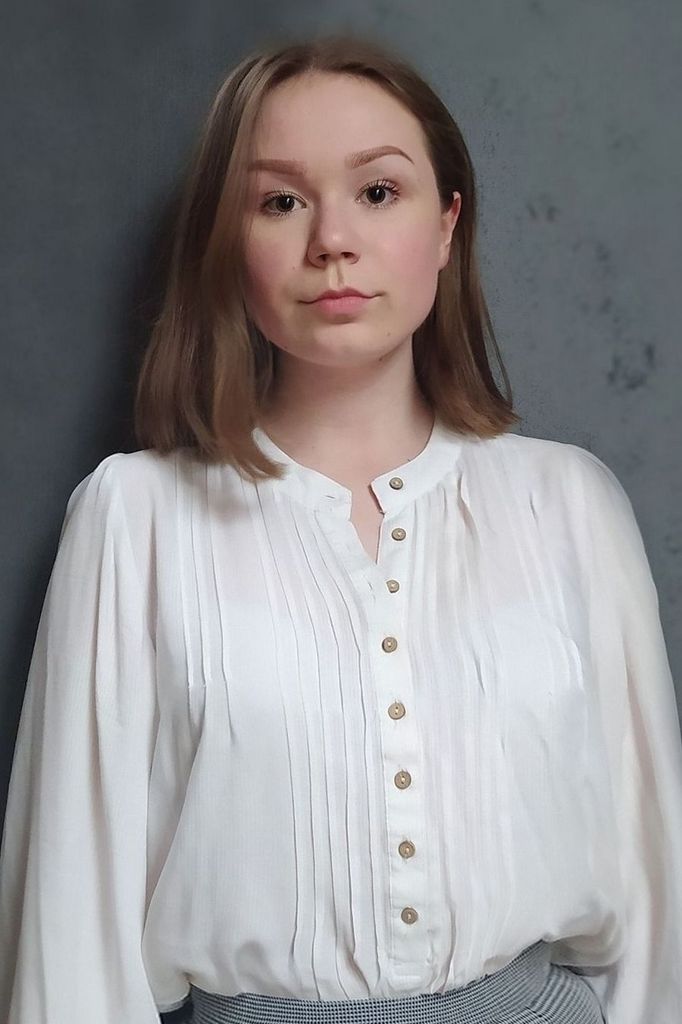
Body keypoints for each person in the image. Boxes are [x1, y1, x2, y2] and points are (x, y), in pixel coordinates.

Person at [1, 31, 681, 1024]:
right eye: (280, 202)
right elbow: (71, 941)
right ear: (228, 242)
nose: (332, 241)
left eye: (377, 191)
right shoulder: (134, 520)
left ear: (446, 226)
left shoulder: (570, 505)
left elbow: (658, 919)